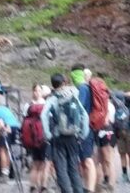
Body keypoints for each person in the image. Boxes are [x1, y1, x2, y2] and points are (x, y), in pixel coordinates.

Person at [42, 73, 89, 193]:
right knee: (73, 167)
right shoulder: (74, 95)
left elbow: (43, 115)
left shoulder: (52, 98)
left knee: (61, 169)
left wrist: (47, 134)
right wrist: (83, 133)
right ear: (64, 82)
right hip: (73, 136)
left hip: (58, 137)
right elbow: (84, 115)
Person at [71, 65, 97, 193]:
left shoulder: (82, 88)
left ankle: (90, 189)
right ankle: (87, 188)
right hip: (87, 127)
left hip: (85, 128)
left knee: (87, 159)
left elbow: (78, 109)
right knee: (84, 160)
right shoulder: (86, 88)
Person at [24, 84, 52, 193]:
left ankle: (32, 186)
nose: (37, 92)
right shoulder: (47, 104)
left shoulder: (28, 106)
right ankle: (43, 187)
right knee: (45, 164)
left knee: (35, 163)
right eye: (37, 90)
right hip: (44, 137)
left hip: (32, 139)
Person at [0, 104, 21, 181]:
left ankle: (4, 174)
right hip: (15, 126)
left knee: (2, 150)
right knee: (7, 150)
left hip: (6, 126)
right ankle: (7, 172)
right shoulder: (3, 108)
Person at [115, 92, 130, 183]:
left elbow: (113, 93)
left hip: (120, 132)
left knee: (122, 154)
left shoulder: (119, 106)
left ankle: (125, 174)